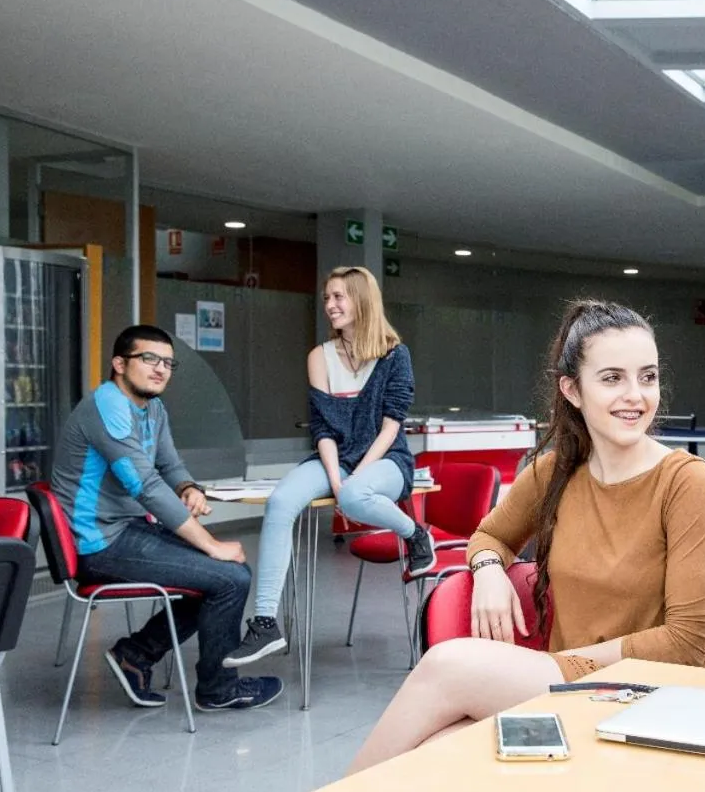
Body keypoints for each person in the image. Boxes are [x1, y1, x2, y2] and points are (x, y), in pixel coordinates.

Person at [347, 300, 705, 773]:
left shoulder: (689, 483)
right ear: (571, 389)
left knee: (444, 667)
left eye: (648, 376)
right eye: (612, 378)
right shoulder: (554, 473)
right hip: (587, 690)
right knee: (436, 751)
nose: (636, 395)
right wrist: (489, 570)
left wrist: (560, 665)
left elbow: (686, 641)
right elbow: (490, 535)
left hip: (674, 698)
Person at [51, 325, 282, 710]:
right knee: (228, 577)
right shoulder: (108, 407)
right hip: (98, 542)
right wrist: (211, 544)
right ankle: (218, 690)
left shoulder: (151, 408)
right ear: (119, 363)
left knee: (221, 576)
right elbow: (144, 486)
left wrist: (188, 486)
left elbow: (168, 464)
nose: (160, 369)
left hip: (126, 530)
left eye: (167, 362)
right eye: (149, 359)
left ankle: (136, 655)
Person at [223, 266, 434, 667]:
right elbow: (322, 428)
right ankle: (265, 620)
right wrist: (336, 478)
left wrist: (351, 482)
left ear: (361, 300)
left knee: (356, 495)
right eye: (327, 298)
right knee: (282, 500)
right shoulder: (319, 356)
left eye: (338, 297)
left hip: (385, 457)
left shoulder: (394, 354)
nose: (330, 306)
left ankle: (415, 534)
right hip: (334, 454)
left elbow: (391, 427)